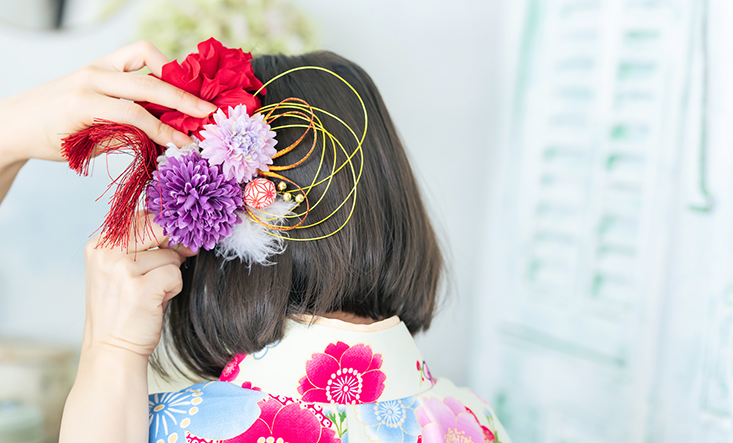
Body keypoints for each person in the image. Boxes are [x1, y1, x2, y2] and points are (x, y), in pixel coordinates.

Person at [0, 40, 511, 442]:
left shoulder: (172, 430)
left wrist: (108, 353)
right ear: (392, 201)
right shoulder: (479, 423)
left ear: (209, 247)